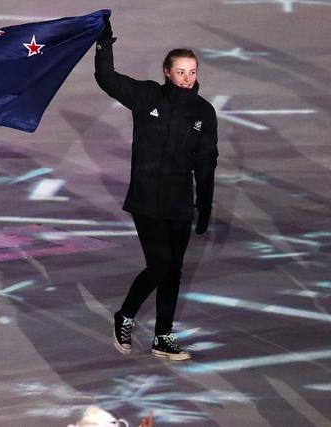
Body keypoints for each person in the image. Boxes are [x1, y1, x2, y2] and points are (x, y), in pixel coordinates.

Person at [94, 17, 218, 361]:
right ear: (167, 72)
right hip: (147, 200)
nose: (187, 77)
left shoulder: (203, 112)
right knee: (161, 265)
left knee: (173, 269)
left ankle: (163, 336)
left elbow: (206, 161)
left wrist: (204, 205)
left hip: (180, 204)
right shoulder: (146, 94)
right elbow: (107, 79)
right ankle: (125, 315)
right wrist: (104, 44)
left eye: (192, 71)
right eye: (180, 71)